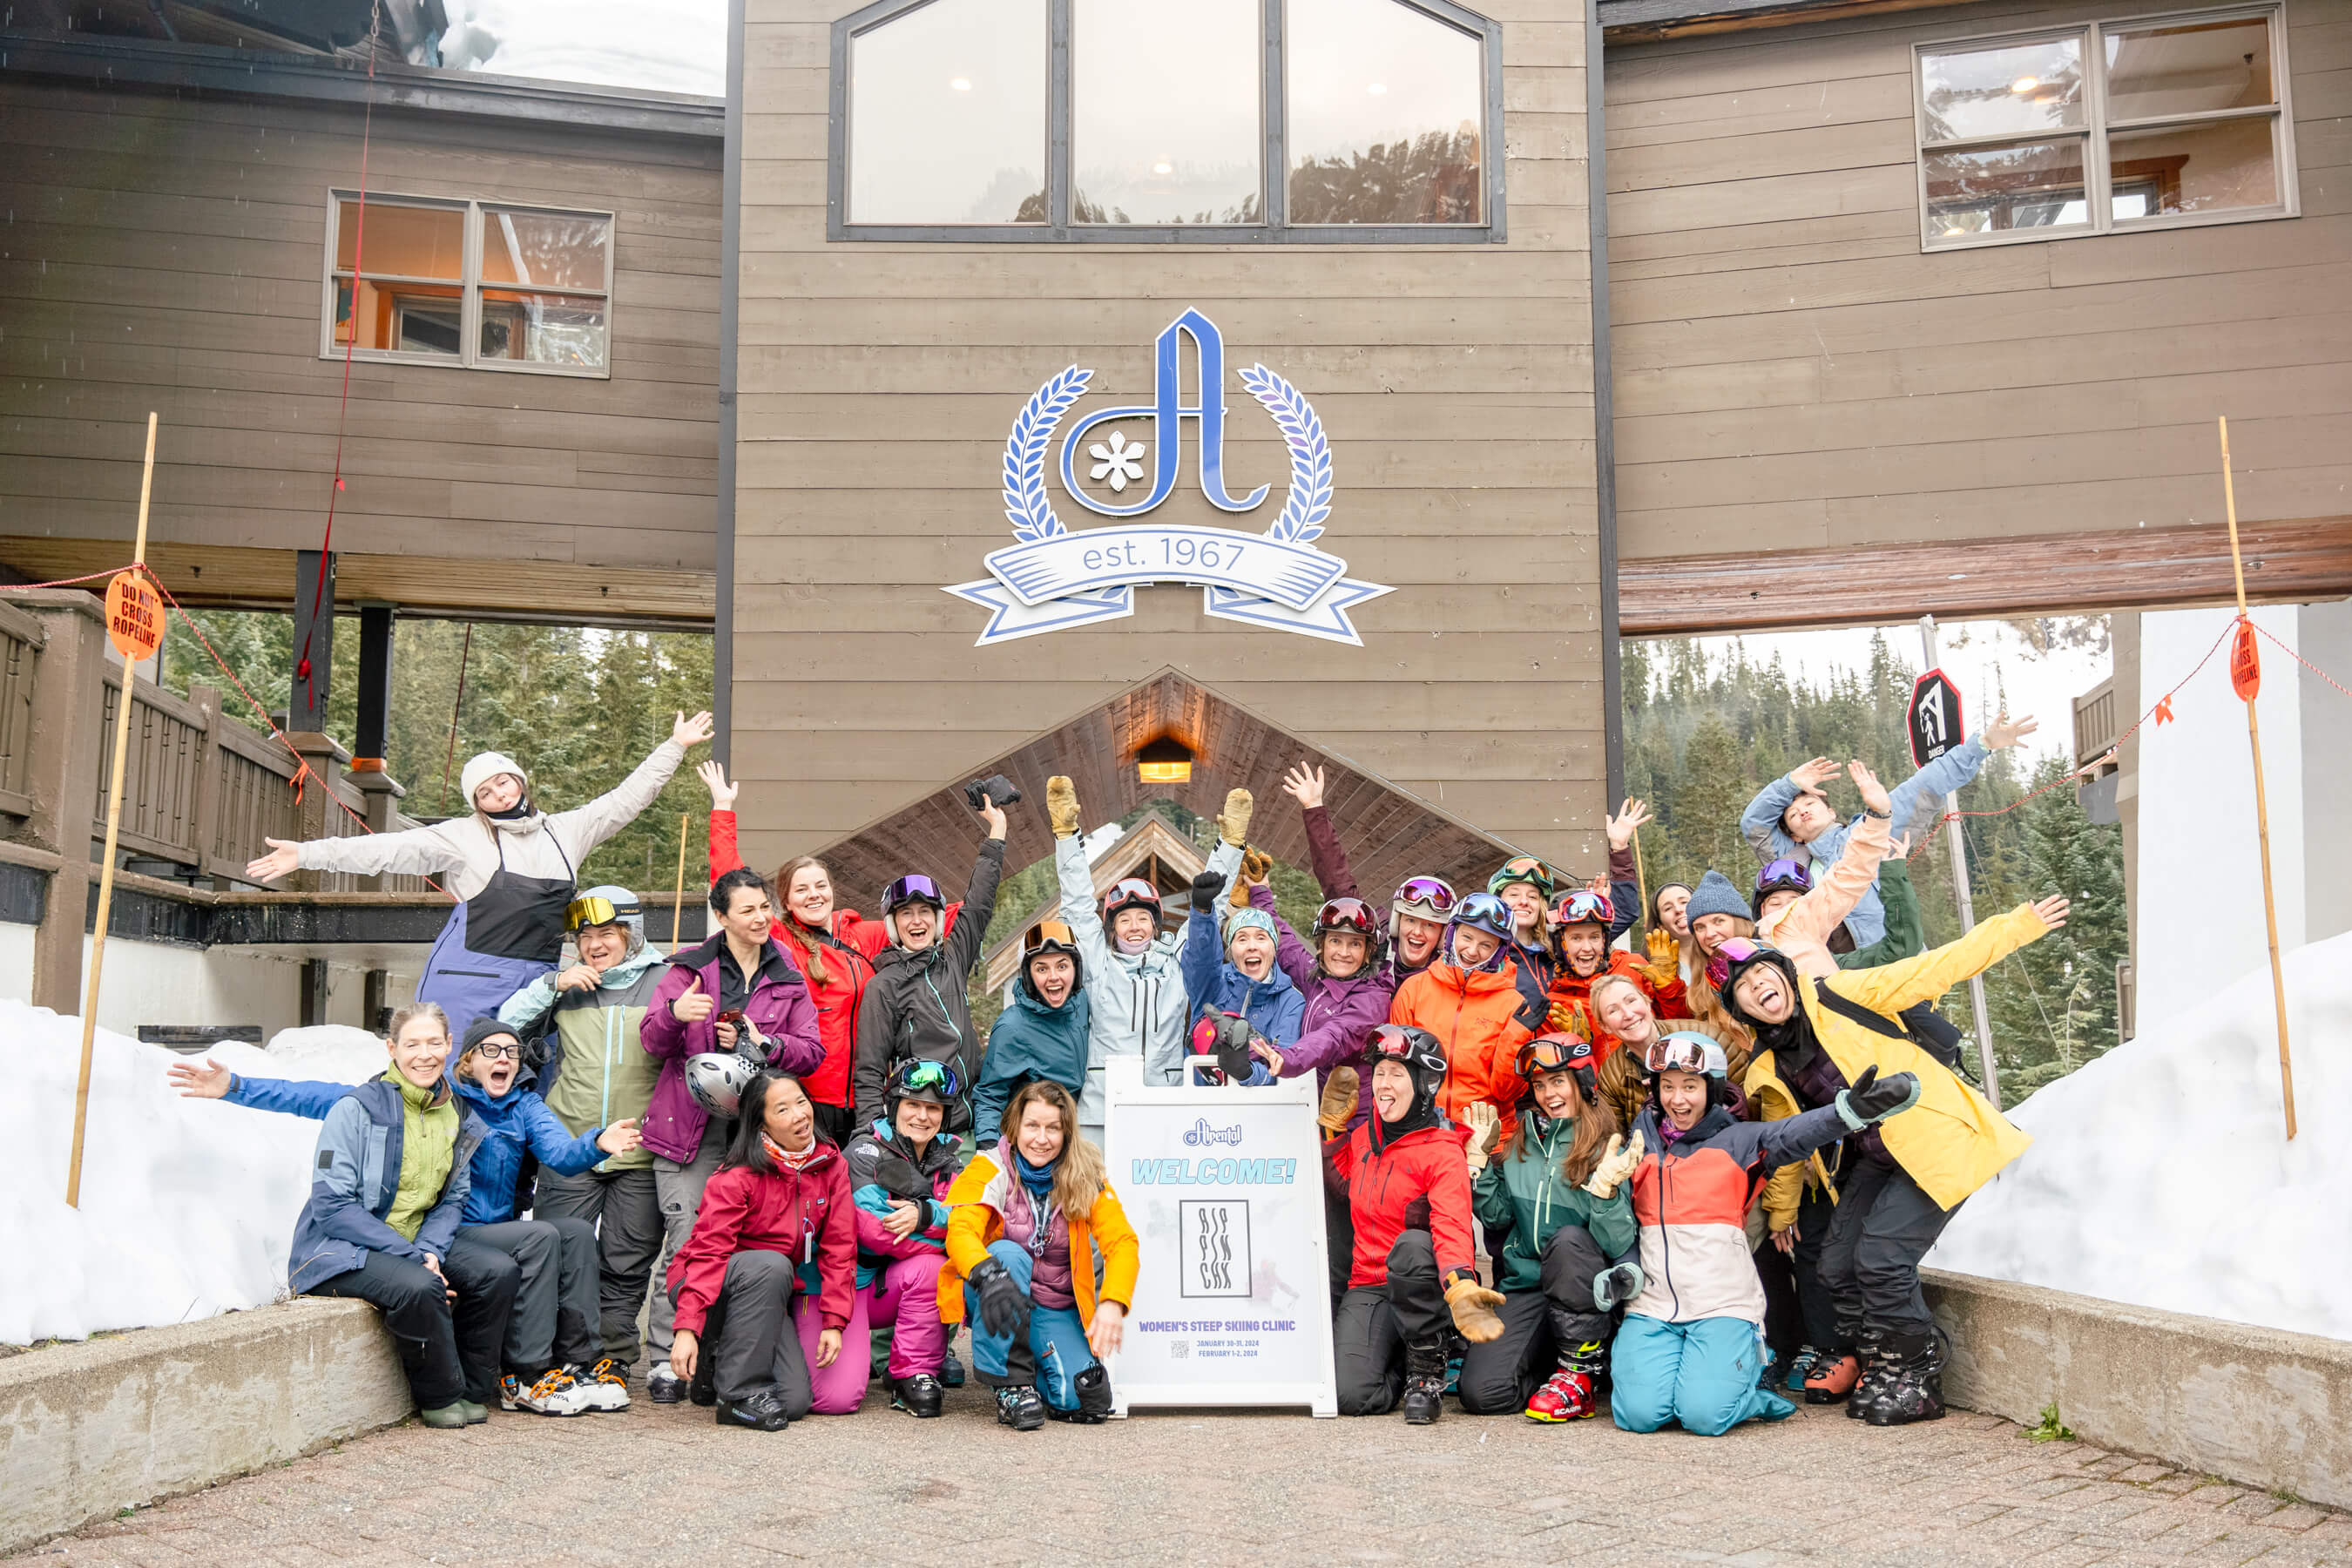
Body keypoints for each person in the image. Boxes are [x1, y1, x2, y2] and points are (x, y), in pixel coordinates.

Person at [176, 1015, 644, 1416]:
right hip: (452, 1230)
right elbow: (317, 1097)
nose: (503, 1057)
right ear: (466, 1060)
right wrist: (235, 1086)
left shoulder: (523, 1106)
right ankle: (526, 1375)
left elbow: (562, 1154)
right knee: (540, 1237)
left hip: (486, 1228)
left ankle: (579, 1361)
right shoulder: (447, 1101)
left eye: (511, 1051)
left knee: (577, 1231)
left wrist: (597, 1142)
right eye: (490, 1049)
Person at [1722, 894, 2065, 1425]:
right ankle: (1884, 1363)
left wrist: (2018, 926)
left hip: (1933, 1141)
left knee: (1882, 1258)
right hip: (1878, 1159)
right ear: (1740, 1009)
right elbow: (1790, 1144)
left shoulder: (1838, 995)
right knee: (1836, 1263)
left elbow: (1930, 970)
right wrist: (1782, 1211)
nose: (1757, 987)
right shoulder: (1767, 1066)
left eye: (1763, 973)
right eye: (1743, 988)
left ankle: (1917, 1375)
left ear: (1786, 975)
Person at [241, 715, 711, 1028]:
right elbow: (386, 849)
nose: (500, 796)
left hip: (540, 979)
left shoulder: (567, 832)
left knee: (526, 1083)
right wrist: (306, 854)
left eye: (503, 782)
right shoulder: (463, 837)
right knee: (453, 1084)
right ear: (478, 805)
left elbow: (626, 800)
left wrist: (675, 746)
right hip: (466, 979)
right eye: (485, 793)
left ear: (520, 780)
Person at [1612, 1031, 1916, 1436]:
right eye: (1667, 1087)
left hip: (1721, 1306)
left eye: (1690, 1086)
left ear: (1712, 1088)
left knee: (1705, 1418)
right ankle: (1700, 1376)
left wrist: (1849, 1112)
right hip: (1652, 1307)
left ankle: (1751, 1389)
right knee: (1638, 1416)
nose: (1677, 1099)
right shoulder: (1636, 1143)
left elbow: (1795, 1132)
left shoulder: (1740, 1141)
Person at [640, 867, 825, 1402]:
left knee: (746, 1247)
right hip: (689, 1135)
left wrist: (763, 1042)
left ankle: (719, 1353)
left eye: (765, 907)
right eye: (747, 910)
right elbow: (653, 1041)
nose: (761, 917)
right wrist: (677, 1014)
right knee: (687, 1242)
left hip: (755, 1136)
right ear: (721, 917)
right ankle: (664, 1358)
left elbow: (812, 1052)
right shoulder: (688, 968)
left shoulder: (788, 975)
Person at [274, 1004, 492, 1428]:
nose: (424, 1054)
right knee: (421, 1286)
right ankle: (440, 1397)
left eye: (434, 1043)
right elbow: (332, 1206)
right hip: (335, 1252)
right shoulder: (355, 1108)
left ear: (449, 1045)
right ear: (392, 1049)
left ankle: (473, 1388)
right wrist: (415, 1258)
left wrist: (428, 1249)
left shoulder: (456, 1113)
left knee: (494, 1272)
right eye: (412, 1044)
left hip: (407, 1244)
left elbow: (452, 1199)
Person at [497, 885, 670, 1383]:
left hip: (639, 1146)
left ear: (631, 933)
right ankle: (558, 1354)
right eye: (585, 935)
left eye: (607, 933)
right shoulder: (566, 985)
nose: (594, 944)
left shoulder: (666, 981)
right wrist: (552, 984)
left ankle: (612, 1358)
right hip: (570, 1143)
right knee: (558, 1255)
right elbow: (500, 1030)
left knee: (625, 1262)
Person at [701, 762, 915, 1147]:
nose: (814, 894)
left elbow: (932, 921)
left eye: (821, 885)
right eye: (801, 890)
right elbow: (730, 883)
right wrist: (723, 810)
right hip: (802, 1095)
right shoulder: (779, 937)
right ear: (784, 900)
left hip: (864, 1097)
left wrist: (994, 845)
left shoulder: (861, 936)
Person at [1044, 774, 1247, 1142]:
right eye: (1124, 919)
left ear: (1156, 926)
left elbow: (1207, 908)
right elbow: (1076, 905)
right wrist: (1066, 836)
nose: (1134, 926)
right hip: (1102, 1110)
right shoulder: (1099, 967)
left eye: (1143, 918)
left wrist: (1230, 847)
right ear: (1112, 928)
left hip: (1163, 1105)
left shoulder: (1175, 965)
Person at [1325, 1025, 1506, 1423]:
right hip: (1369, 1283)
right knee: (1350, 1396)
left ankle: (1426, 1369)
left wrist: (1460, 1284)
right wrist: (1332, 1134)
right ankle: (1401, 1363)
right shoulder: (1363, 1138)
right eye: (1381, 1073)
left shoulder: (1442, 1151)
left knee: (1411, 1245)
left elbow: (1451, 1224)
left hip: (1419, 1280)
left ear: (1425, 1084)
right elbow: (1342, 1189)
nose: (1383, 1085)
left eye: (1397, 1074)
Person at [1461, 1034, 1643, 1423]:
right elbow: (1496, 1218)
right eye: (1540, 1085)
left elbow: (1618, 1241)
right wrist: (1478, 1167)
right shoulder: (1522, 1142)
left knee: (1568, 1240)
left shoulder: (1605, 1147)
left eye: (1558, 1081)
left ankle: (1580, 1372)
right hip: (1527, 1285)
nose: (1548, 1094)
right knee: (1483, 1394)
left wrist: (1606, 1194)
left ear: (1582, 1084)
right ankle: (1553, 1366)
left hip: (1583, 1288)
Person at [1740, 715, 2038, 947]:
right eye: (1793, 814)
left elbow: (1924, 784)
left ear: (1831, 812)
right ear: (1793, 834)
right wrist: (1790, 783)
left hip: (1891, 959)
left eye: (1810, 802)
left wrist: (1982, 743)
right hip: (1827, 977)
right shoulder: (1788, 863)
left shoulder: (1867, 833)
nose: (1802, 810)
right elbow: (1753, 824)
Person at [666, 1072, 857, 1431]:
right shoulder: (737, 1176)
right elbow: (709, 1253)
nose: (800, 1115)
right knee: (771, 1265)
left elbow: (840, 1246)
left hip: (768, 1292)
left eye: (801, 1101)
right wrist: (687, 1329)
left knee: (794, 1401)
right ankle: (739, 1395)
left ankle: (717, 1361)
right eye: (782, 1109)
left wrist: (834, 1321)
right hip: (709, 1284)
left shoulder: (831, 1164)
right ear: (760, 1124)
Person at [941, 1080, 1137, 1429]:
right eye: (1032, 1126)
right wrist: (987, 1273)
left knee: (1084, 1399)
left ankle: (1035, 1366)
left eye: (1053, 1128)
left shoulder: (1085, 1173)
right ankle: (1009, 1384)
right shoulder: (989, 1166)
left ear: (1067, 1133)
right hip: (996, 1291)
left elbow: (1122, 1242)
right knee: (1007, 1255)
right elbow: (960, 1231)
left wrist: (1112, 1302)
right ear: (1015, 1127)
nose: (1041, 1138)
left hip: (1050, 1305)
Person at [850, 793, 1009, 1132]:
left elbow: (979, 903)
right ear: (894, 925)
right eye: (906, 914)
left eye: (925, 912)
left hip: (972, 1120)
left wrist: (997, 831)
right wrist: (867, 1134)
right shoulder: (883, 986)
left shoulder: (952, 960)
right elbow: (869, 1069)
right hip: (921, 1126)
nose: (916, 921)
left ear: (937, 921)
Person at [841, 1059, 967, 1417]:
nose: (923, 1116)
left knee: (933, 1268)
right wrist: (945, 1232)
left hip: (891, 1287)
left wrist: (923, 1216)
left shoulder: (950, 1161)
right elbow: (876, 1231)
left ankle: (913, 1374)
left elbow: (969, 1220)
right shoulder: (864, 1152)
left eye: (933, 1108)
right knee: (838, 1398)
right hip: (846, 1290)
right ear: (894, 1106)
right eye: (913, 1105)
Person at [1385, 891, 1542, 1139]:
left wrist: (1515, 1038)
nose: (1472, 950)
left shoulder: (1514, 1005)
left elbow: (1507, 1092)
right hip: (1424, 1134)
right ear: (1451, 935)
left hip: (1487, 1138)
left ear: (1499, 951)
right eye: (1466, 937)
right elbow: (1394, 1070)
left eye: (1486, 945)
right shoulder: (1414, 990)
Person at [1277, 762, 1450, 987]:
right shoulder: (1377, 941)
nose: (1417, 932)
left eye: (1429, 925)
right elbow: (1337, 882)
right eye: (1410, 920)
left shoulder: (1447, 977)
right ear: (1398, 922)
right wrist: (1314, 809)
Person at [1179, 866, 1303, 1085]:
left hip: (1259, 1111)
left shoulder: (1290, 1000)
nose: (1251, 947)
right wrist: (1201, 912)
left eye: (1261, 938)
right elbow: (1201, 960)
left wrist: (1247, 1072)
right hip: (1200, 1108)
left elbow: (1285, 1061)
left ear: (1274, 949)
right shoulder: (1213, 986)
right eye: (1242, 939)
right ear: (1231, 950)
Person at [972, 922, 1092, 1147]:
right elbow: (990, 1095)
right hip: (1034, 1140)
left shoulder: (1081, 1004)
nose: (1054, 976)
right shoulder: (1013, 1027)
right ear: (1028, 976)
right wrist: (989, 1150)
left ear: (1076, 970)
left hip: (1073, 1132)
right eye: (1042, 969)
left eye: (1062, 966)